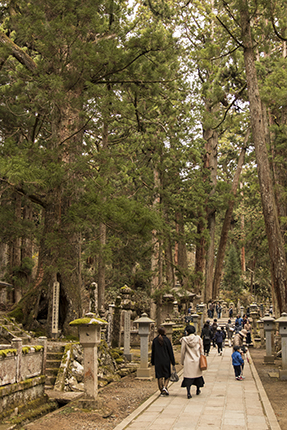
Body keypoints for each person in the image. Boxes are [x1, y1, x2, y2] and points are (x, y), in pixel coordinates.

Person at [180, 325, 205, 399]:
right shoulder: (198, 339)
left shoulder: (184, 340)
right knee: (197, 376)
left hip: (188, 360)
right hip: (197, 359)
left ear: (187, 332)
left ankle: (188, 392)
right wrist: (202, 357)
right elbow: (201, 350)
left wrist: (182, 360)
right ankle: (198, 389)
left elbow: (183, 351)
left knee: (188, 377)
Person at [151, 327, 175, 396]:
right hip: (166, 360)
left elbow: (153, 351)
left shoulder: (155, 340)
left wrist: (152, 361)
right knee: (167, 375)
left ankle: (161, 389)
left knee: (159, 376)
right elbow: (170, 351)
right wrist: (172, 361)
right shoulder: (167, 340)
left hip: (157, 360)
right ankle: (165, 387)